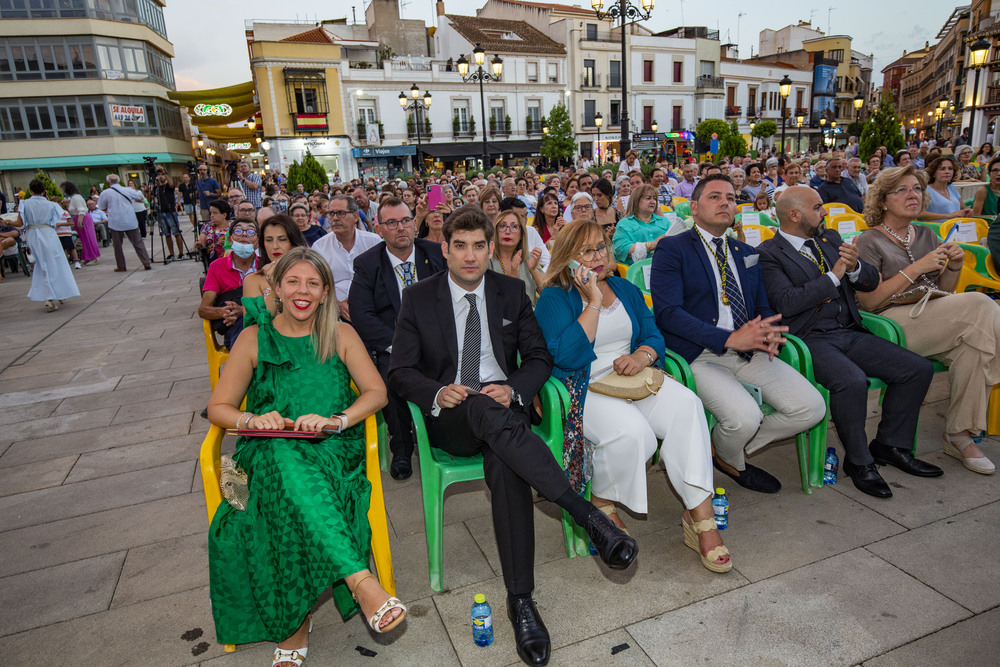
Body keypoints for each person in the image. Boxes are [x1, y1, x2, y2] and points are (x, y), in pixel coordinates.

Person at [388, 205, 636, 667]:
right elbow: (400, 371)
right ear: (444, 249)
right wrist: (441, 390)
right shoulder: (418, 298)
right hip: (453, 418)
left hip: (505, 413)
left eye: (478, 246)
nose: (469, 256)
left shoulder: (510, 291)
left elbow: (539, 358)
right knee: (483, 411)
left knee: (505, 460)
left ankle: (521, 600)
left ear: (492, 248)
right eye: (458, 246)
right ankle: (586, 515)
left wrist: (516, 387)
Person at [206, 248, 405, 664]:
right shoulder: (252, 337)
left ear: (325, 292)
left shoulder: (340, 333)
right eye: (293, 281)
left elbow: (377, 393)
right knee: (277, 459)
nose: (302, 291)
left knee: (285, 482)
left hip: (331, 451)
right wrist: (251, 420)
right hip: (254, 458)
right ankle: (361, 581)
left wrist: (336, 420)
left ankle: (293, 627)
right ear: (276, 288)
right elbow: (217, 409)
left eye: (313, 283)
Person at [536, 220, 730, 572]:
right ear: (567, 258)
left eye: (602, 247)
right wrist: (593, 301)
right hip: (585, 384)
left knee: (688, 406)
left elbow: (654, 334)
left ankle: (700, 518)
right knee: (634, 434)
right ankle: (602, 503)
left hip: (636, 376)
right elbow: (563, 357)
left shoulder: (625, 288)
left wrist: (642, 355)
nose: (598, 257)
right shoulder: (553, 298)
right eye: (587, 251)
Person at [757, 186, 940, 498]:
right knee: (851, 382)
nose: (825, 212)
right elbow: (786, 302)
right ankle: (859, 462)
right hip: (809, 338)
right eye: (817, 208)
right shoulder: (768, 253)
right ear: (794, 215)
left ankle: (890, 446)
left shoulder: (829, 240)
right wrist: (833, 276)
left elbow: (870, 281)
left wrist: (854, 268)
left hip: (849, 330)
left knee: (916, 369)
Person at [650, 174, 826, 493]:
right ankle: (735, 458)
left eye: (731, 198)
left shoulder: (746, 251)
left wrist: (769, 331)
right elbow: (668, 314)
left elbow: (761, 306)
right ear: (693, 207)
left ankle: (723, 447)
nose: (725, 203)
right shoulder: (673, 249)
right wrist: (729, 339)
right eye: (715, 197)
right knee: (744, 417)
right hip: (699, 355)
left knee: (811, 407)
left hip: (749, 351)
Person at [856, 165, 999, 475]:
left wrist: (954, 267)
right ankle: (961, 434)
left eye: (918, 189)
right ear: (883, 201)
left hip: (930, 315)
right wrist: (916, 267)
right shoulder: (868, 240)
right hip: (889, 323)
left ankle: (959, 434)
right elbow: (868, 302)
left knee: (973, 348)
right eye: (903, 190)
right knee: (980, 303)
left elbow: (942, 292)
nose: (913, 195)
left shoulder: (925, 233)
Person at [350, 196, 447, 481]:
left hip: (440, 340)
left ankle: (443, 436)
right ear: (380, 229)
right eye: (391, 223)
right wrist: (401, 345)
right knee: (390, 377)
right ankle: (402, 447)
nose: (400, 228)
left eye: (405, 221)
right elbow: (361, 314)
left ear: (415, 223)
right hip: (392, 345)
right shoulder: (367, 263)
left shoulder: (438, 253)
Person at [312, 195, 381, 322]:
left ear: (355, 216)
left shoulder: (373, 242)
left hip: (373, 309)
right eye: (331, 213)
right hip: (335, 315)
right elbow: (316, 285)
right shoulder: (319, 247)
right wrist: (336, 305)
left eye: (341, 213)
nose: (335, 218)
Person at [198, 218, 259, 350]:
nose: (244, 234)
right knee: (245, 332)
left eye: (250, 232)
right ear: (230, 241)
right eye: (238, 231)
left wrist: (243, 310)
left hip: (262, 322)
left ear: (257, 242)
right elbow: (203, 309)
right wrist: (226, 312)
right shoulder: (217, 267)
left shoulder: (265, 266)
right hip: (235, 328)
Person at [19, 179, 80, 311]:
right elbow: (58, 218)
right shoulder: (51, 205)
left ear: (30, 191)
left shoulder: (24, 203)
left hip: (33, 234)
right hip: (48, 233)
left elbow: (20, 222)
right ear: (44, 191)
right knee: (54, 263)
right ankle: (51, 296)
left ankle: (54, 294)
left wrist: (7, 222)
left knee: (42, 264)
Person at [242, 214, 308, 315]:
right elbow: (256, 325)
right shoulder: (252, 280)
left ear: (293, 241)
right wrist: (273, 290)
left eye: (282, 239)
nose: (275, 246)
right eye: (269, 240)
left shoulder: (310, 274)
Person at [96, 174, 151, 272]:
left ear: (108, 182)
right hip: (130, 219)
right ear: (119, 181)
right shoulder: (127, 189)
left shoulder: (105, 192)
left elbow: (101, 206)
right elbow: (139, 195)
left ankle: (121, 265)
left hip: (115, 221)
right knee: (138, 242)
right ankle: (146, 261)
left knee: (117, 245)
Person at [612, 184, 675, 265]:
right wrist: (651, 245)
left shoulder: (664, 221)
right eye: (648, 198)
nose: (653, 201)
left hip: (667, 265)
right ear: (636, 201)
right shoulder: (624, 223)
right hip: (638, 271)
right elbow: (620, 249)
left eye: (655, 199)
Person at [490, 208, 542, 306]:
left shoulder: (527, 257)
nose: (507, 231)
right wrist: (513, 279)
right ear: (496, 231)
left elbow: (548, 294)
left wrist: (534, 270)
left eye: (514, 227)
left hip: (530, 317)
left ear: (521, 234)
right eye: (502, 226)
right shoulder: (487, 259)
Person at [920, 155, 972, 221]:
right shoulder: (925, 190)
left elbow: (963, 207)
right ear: (934, 173)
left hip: (956, 227)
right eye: (942, 169)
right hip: (937, 229)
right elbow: (920, 213)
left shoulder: (951, 188)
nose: (947, 171)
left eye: (950, 169)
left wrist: (967, 211)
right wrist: (948, 216)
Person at [62, 181, 100, 265]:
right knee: (84, 239)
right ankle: (88, 256)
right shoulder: (74, 197)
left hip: (82, 218)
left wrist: (79, 221)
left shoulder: (75, 198)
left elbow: (81, 210)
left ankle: (93, 257)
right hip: (79, 217)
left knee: (88, 238)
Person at [153, 170, 186, 261]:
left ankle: (181, 253)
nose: (161, 177)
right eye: (159, 175)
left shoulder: (168, 186)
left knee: (176, 232)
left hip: (170, 212)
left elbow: (172, 184)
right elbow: (152, 197)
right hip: (161, 212)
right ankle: (171, 253)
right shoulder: (156, 187)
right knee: (167, 234)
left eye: (162, 175)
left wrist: (166, 174)